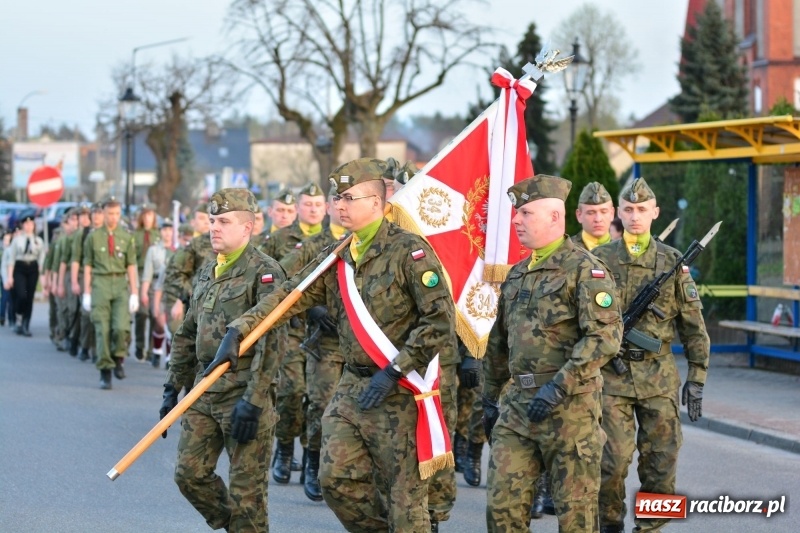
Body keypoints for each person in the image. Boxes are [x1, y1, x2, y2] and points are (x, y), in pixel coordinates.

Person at [214, 158, 457, 532]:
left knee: (405, 502)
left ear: (377, 203)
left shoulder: (409, 252)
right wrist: (241, 329)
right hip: (352, 387)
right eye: (336, 197)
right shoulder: (337, 253)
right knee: (335, 481)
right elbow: (288, 296)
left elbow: (440, 321)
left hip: (402, 390)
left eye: (349, 197)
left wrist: (395, 370)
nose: (340, 205)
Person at [482, 174, 623, 532]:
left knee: (576, 518)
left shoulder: (585, 270)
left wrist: (559, 386)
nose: (516, 220)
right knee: (502, 512)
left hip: (569, 410)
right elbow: (500, 343)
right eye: (517, 213)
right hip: (517, 409)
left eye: (526, 213)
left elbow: (604, 337)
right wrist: (488, 399)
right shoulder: (516, 275)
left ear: (556, 218)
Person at [159, 188, 287, 533]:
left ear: (248, 227)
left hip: (244, 393)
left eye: (224, 221)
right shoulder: (207, 270)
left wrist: (255, 400)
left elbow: (273, 343)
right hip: (205, 390)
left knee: (248, 494)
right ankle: (238, 527)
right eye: (213, 221)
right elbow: (187, 331)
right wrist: (172, 385)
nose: (214, 228)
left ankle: (246, 525)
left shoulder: (266, 273)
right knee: (189, 474)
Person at [592, 178, 709, 533]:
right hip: (611, 379)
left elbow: (694, 326)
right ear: (619, 213)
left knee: (662, 463)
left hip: (659, 380)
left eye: (642, 210)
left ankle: (652, 528)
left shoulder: (673, 263)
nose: (635, 216)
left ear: (655, 213)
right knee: (610, 463)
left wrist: (698, 378)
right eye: (628, 210)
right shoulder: (599, 260)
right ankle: (609, 525)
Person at [278, 190, 348, 502]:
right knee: (319, 404)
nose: (343, 208)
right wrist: (311, 309)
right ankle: (311, 462)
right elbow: (282, 279)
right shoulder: (315, 246)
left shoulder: (378, 245)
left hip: (367, 345)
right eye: (339, 201)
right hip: (326, 341)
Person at [259, 182, 326, 484]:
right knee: (292, 392)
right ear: (299, 208)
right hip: (294, 330)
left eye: (318, 205)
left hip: (327, 333)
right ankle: (284, 449)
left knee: (320, 398)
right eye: (307, 204)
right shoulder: (281, 239)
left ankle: (313, 456)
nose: (313, 209)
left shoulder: (337, 239)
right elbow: (267, 280)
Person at [82, 198, 139, 390]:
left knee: (121, 328)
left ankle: (118, 357)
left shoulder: (126, 236)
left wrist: (135, 293)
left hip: (120, 284)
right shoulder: (93, 237)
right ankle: (105, 370)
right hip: (100, 283)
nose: (113, 217)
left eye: (116, 214)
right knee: (102, 329)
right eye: (109, 214)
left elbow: (131, 265)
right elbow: (88, 265)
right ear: (103, 214)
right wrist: (86, 292)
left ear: (120, 214)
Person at [162, 202, 215, 329]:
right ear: (193, 222)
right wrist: (179, 299)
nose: (206, 222)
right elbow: (174, 274)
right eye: (201, 218)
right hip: (185, 298)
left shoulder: (217, 242)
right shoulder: (189, 244)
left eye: (209, 219)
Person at [71, 203, 104, 361]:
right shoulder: (83, 233)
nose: (97, 216)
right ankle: (84, 345)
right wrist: (74, 281)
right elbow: (76, 259)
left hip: (103, 277)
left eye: (100, 212)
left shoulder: (107, 233)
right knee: (86, 314)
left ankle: (97, 350)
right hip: (85, 276)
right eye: (94, 212)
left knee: (101, 315)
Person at [141, 218, 175, 367]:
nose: (167, 233)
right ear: (160, 232)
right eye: (164, 230)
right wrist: (142, 292)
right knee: (159, 322)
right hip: (156, 287)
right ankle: (156, 351)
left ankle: (168, 357)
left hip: (172, 290)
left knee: (171, 324)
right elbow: (147, 274)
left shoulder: (178, 250)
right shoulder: (154, 250)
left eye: (170, 230)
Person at [5, 215, 46, 336]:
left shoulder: (38, 241)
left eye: (31, 224)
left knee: (29, 297)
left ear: (34, 226)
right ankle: (18, 314)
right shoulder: (17, 240)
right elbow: (11, 259)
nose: (29, 226)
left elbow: (42, 258)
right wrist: (10, 276)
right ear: (23, 225)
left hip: (32, 267)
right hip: (19, 267)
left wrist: (42, 274)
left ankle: (25, 324)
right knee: (22, 295)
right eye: (26, 224)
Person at [133, 203, 160, 361]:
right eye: (145, 215)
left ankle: (151, 349)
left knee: (153, 314)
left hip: (155, 277)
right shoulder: (135, 235)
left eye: (150, 215)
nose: (148, 218)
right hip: (140, 273)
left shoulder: (158, 234)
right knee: (141, 314)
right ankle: (139, 345)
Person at [53, 210, 79, 349]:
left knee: (77, 309)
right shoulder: (63, 240)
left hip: (81, 274)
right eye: (72, 220)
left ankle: (75, 337)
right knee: (66, 308)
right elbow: (58, 263)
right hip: (68, 274)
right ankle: (63, 334)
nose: (75, 223)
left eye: (77, 219)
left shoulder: (83, 236)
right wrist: (57, 283)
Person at [571, 182, 615, 251]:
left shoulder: (626, 251)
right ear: (579, 215)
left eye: (603, 212)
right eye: (591, 213)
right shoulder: (565, 251)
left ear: (612, 213)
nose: (598, 219)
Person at [1, 230, 17, 327]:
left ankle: (12, 318)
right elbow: (4, 266)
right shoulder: (6, 250)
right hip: (6, 277)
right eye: (5, 239)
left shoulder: (13, 249)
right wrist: (5, 279)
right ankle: (2, 316)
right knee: (5, 297)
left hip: (14, 277)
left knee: (11, 299)